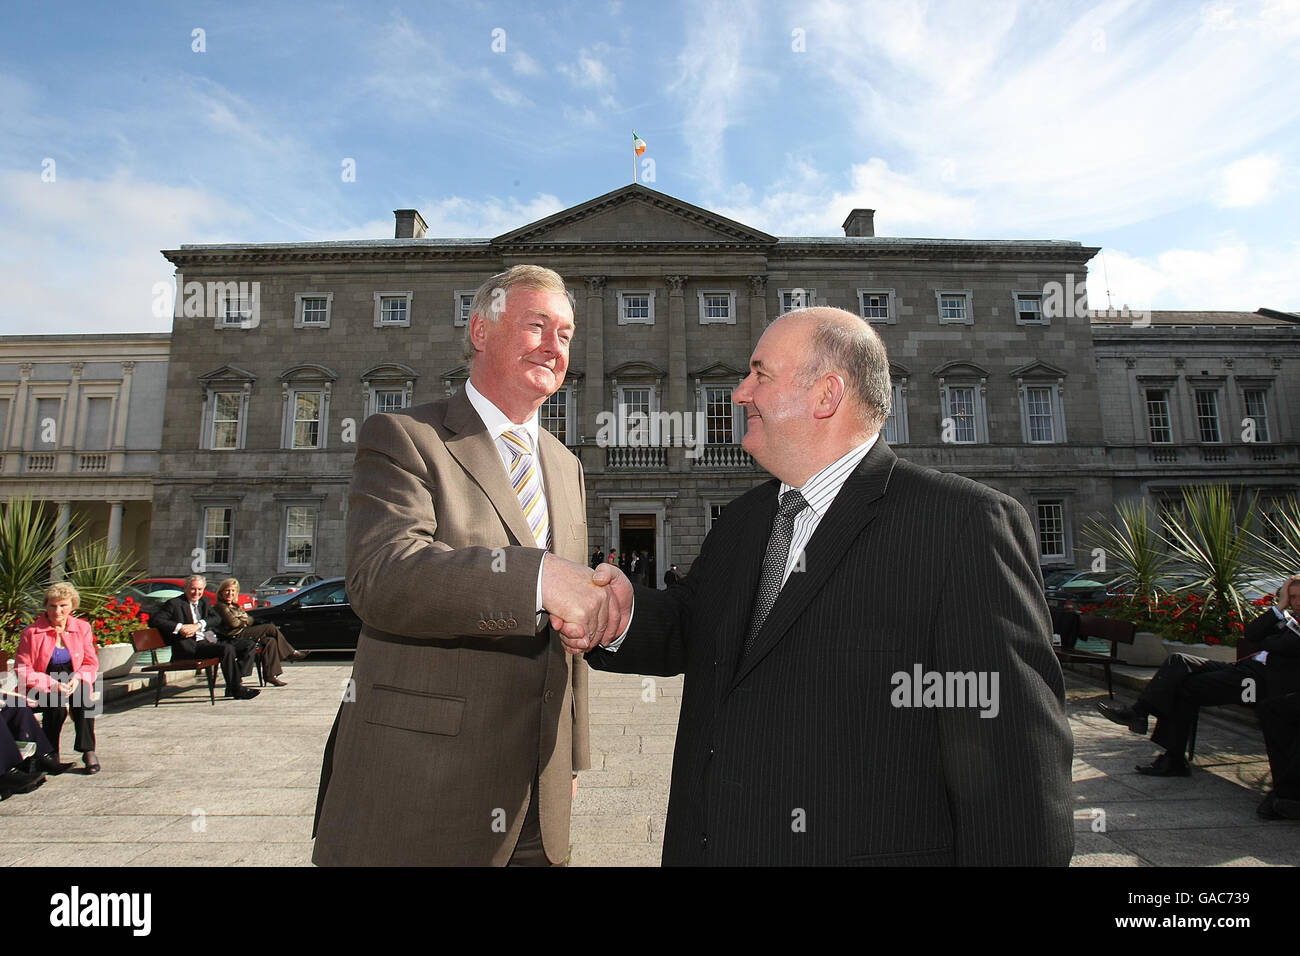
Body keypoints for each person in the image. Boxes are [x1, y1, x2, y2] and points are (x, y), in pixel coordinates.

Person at [575, 307, 1074, 865]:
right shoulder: (742, 520)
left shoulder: (961, 524)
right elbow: (694, 629)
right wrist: (620, 615)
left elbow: (1016, 770)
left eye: (760, 375)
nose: (740, 394)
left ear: (826, 395)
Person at [313, 264, 629, 866]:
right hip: (423, 788)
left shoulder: (566, 465)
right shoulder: (405, 435)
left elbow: (565, 642)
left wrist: (572, 758)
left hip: (538, 796)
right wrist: (538, 578)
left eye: (565, 334)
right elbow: (383, 576)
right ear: (481, 330)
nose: (554, 346)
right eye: (536, 326)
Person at [1098, 574, 1300, 817]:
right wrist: (1280, 607)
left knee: (1182, 686)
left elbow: (1280, 645)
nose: (1296, 602)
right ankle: (1141, 715)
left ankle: (1163, 745)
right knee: (1178, 662)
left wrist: (1267, 640)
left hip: (1257, 682)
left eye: (1299, 597)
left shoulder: (1294, 625)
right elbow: (1252, 634)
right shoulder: (1286, 617)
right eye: (1292, 597)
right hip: (1243, 669)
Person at [16, 583, 101, 774]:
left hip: (73, 679)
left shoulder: (82, 628)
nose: (57, 611)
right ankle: (50, 754)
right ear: (46, 606)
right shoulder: (31, 632)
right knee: (55, 706)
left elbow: (90, 662)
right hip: (41, 682)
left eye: (63, 605)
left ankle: (88, 750)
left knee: (83, 698)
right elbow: (23, 668)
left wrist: (78, 678)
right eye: (52, 606)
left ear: (72, 606)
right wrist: (51, 684)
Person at [151, 575, 260, 700]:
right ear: (186, 588)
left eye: (199, 589)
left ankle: (235, 682)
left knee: (248, 645)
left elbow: (216, 618)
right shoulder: (175, 603)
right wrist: (181, 628)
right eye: (193, 589)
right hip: (189, 647)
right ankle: (236, 689)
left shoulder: (203, 601)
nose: (196, 593)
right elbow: (156, 620)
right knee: (226, 649)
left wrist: (199, 625)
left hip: (206, 642)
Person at [213, 578, 307, 687]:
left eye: (233, 591)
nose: (230, 593)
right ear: (221, 592)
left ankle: (271, 676)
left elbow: (248, 619)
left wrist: (243, 620)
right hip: (233, 635)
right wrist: (245, 620)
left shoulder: (234, 606)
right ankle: (291, 652)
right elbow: (234, 623)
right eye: (227, 590)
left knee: (270, 641)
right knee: (269, 628)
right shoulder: (221, 606)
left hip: (242, 631)